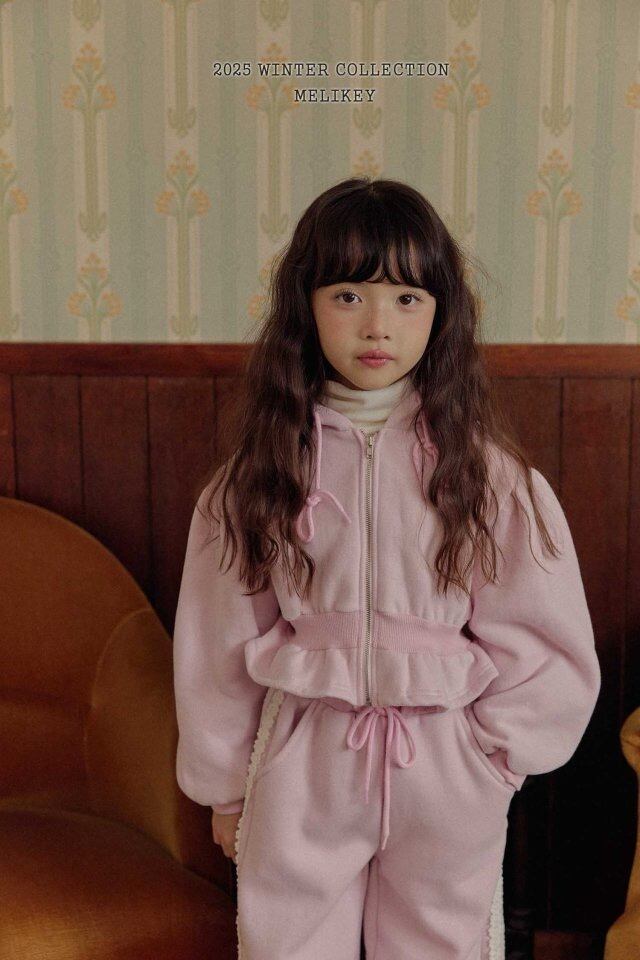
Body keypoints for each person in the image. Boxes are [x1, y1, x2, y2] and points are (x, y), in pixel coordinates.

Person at [172, 177, 601, 960]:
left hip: (447, 766)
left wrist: (495, 757)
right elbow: (217, 645)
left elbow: (544, 635)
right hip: (304, 763)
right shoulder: (259, 476)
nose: (377, 324)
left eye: (407, 298)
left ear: (440, 313)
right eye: (348, 295)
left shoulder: (488, 477)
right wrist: (226, 788)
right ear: (306, 305)